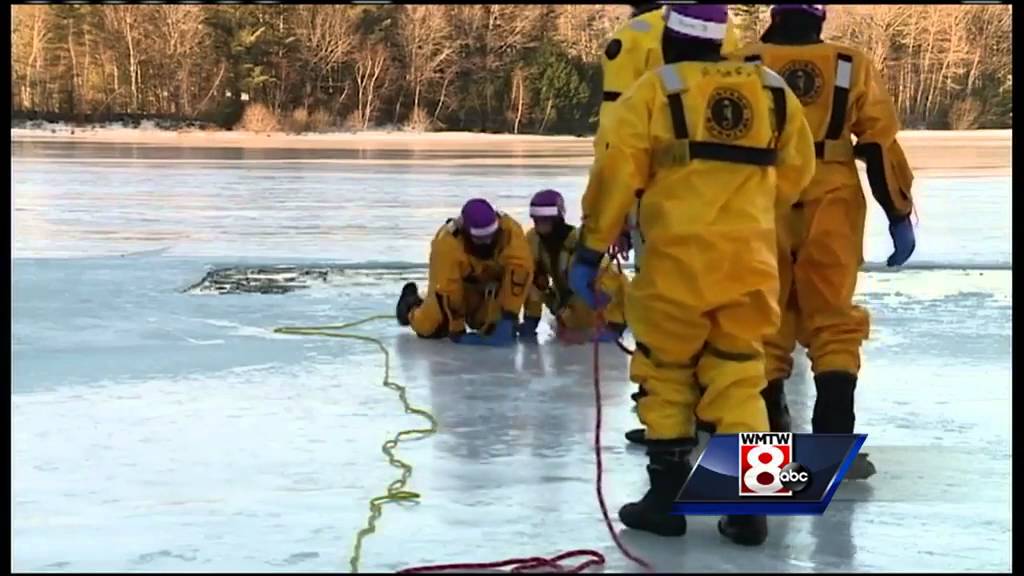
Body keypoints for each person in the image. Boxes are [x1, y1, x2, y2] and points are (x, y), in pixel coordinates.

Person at [570, 4, 816, 546]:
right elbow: (798, 172)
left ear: (671, 40)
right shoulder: (772, 89)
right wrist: (748, 210)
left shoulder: (655, 91)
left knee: (667, 371)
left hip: (676, 264)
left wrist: (589, 249)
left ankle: (665, 501)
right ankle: (750, 509)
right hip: (749, 261)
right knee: (740, 374)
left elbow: (617, 173)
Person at [733, 6, 915, 473]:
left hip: (760, 195)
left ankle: (767, 458)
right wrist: (898, 212)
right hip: (832, 196)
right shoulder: (851, 64)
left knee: (765, 323)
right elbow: (877, 143)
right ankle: (834, 446)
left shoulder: (744, 60)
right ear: (820, 16)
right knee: (833, 321)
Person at [595, 4, 740, 446]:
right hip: (738, 214)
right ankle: (749, 491)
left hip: (665, 205)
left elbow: (615, 138)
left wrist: (611, 215)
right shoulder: (728, 34)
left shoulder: (634, 37)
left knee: (665, 330)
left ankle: (667, 471)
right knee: (736, 345)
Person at [396, 198, 534, 346]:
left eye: (491, 236)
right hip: (458, 287)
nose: (487, 242)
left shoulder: (510, 231)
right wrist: (456, 328)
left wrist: (509, 316)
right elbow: (447, 289)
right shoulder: (446, 243)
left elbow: (520, 272)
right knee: (434, 328)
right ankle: (411, 307)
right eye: (481, 238)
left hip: (490, 289)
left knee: (488, 325)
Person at [520, 189, 627, 342]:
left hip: (596, 315)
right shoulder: (533, 240)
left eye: (545, 220)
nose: (539, 226)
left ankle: (604, 326)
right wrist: (531, 320)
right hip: (567, 310)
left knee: (592, 285)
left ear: (556, 218)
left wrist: (616, 325)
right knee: (529, 278)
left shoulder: (582, 246)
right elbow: (531, 281)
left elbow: (618, 286)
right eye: (536, 220)